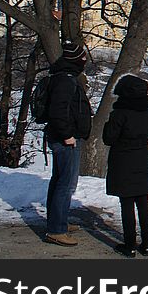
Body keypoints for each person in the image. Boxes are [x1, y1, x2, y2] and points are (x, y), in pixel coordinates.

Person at [103, 74, 148, 258]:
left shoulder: (120, 112)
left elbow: (109, 138)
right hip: (142, 157)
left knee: (127, 204)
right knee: (143, 203)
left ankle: (130, 246)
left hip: (122, 160)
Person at [44, 41, 92, 247]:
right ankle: (57, 229)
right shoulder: (65, 80)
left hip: (64, 136)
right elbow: (58, 110)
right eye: (83, 58)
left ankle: (58, 220)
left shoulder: (63, 77)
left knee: (60, 181)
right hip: (66, 139)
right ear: (76, 59)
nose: (85, 61)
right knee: (65, 183)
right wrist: (67, 135)